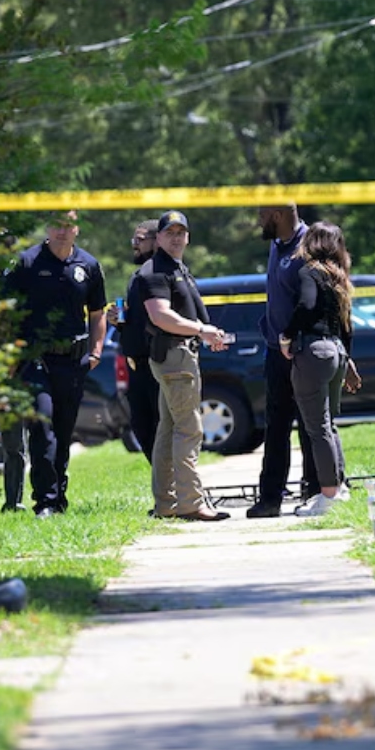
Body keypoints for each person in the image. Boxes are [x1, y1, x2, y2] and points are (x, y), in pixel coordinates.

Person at [5, 210, 107, 517]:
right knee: (42, 426)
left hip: (74, 361)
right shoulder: (27, 263)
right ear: (47, 227)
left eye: (68, 225)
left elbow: (98, 312)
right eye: (56, 225)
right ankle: (45, 501)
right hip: (35, 360)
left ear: (77, 228)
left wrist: (96, 351)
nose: (62, 231)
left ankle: (58, 496)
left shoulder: (88, 265)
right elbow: (8, 312)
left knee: (63, 432)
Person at [141, 210, 232, 522]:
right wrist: (200, 330)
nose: (176, 238)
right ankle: (191, 503)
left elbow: (187, 312)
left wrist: (207, 334)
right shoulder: (155, 270)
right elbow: (160, 315)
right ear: (159, 237)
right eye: (170, 233)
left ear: (188, 237)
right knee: (189, 429)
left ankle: (166, 503)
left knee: (169, 430)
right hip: (175, 356)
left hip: (180, 354)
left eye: (181, 232)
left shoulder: (177, 268)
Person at [282, 222, 363, 516]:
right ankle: (338, 488)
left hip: (314, 351)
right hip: (337, 352)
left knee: (317, 427)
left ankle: (327, 495)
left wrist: (286, 335)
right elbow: (347, 327)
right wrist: (348, 360)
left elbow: (305, 305)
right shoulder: (340, 278)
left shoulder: (310, 272)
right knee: (329, 425)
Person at [249, 203, 321, 518]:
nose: (258, 221)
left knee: (311, 424)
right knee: (275, 426)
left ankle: (317, 491)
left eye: (262, 215)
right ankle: (270, 498)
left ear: (277, 215)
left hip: (304, 350)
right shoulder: (276, 246)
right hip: (276, 353)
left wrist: (293, 335)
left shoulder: (310, 246)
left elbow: (313, 301)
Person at [106, 219, 160, 462]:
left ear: (156, 240)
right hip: (136, 363)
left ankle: (173, 491)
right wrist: (120, 318)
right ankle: (164, 490)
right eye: (133, 240)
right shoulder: (137, 276)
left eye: (140, 240)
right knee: (141, 426)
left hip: (157, 362)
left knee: (160, 428)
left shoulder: (161, 273)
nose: (134, 245)